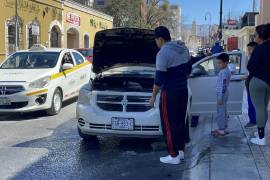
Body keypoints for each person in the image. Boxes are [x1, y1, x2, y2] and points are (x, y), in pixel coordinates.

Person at [149, 26, 191, 165]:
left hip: (170, 93)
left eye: (156, 40)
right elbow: (188, 70)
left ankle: (173, 156)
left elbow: (159, 78)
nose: (156, 43)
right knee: (180, 122)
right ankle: (181, 152)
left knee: (168, 124)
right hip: (183, 90)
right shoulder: (183, 49)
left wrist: (153, 96)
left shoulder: (162, 53)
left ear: (160, 39)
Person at [248, 24, 270, 146]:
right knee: (264, 108)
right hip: (268, 82)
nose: (254, 37)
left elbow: (250, 66)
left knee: (259, 109)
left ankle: (261, 138)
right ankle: (261, 133)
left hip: (257, 82)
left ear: (261, 37)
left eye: (255, 35)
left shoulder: (259, 49)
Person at [211, 53, 231, 137]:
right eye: (218, 63)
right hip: (223, 93)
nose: (219, 64)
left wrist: (220, 97)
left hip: (222, 94)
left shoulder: (224, 72)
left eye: (220, 63)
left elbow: (223, 85)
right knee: (224, 111)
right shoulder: (225, 70)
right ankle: (225, 128)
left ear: (226, 62)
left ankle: (221, 129)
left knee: (221, 112)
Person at [244, 42, 258, 128]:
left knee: (252, 104)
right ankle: (253, 120)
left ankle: (253, 121)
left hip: (254, 85)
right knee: (251, 104)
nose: (248, 51)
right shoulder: (252, 57)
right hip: (251, 84)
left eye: (250, 49)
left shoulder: (256, 58)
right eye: (248, 49)